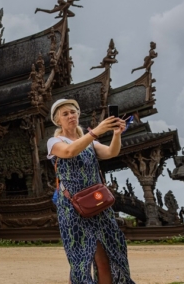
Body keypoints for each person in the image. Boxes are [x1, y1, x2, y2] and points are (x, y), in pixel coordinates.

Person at [47, 99, 132, 284]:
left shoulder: (89, 141)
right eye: (65, 114)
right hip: (72, 207)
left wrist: (117, 134)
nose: (71, 116)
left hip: (98, 202)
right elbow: (69, 151)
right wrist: (95, 132)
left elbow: (111, 153)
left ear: (78, 114)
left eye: (73, 112)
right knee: (80, 258)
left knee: (107, 255)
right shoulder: (54, 141)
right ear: (57, 120)